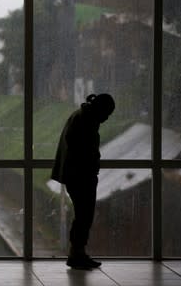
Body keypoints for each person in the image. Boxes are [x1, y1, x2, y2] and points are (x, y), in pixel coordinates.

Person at [51, 93, 115, 269]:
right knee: (84, 215)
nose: (107, 118)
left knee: (82, 215)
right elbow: (85, 151)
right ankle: (77, 253)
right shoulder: (86, 121)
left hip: (76, 175)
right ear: (101, 109)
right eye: (107, 113)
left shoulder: (81, 116)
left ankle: (78, 252)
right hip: (80, 177)